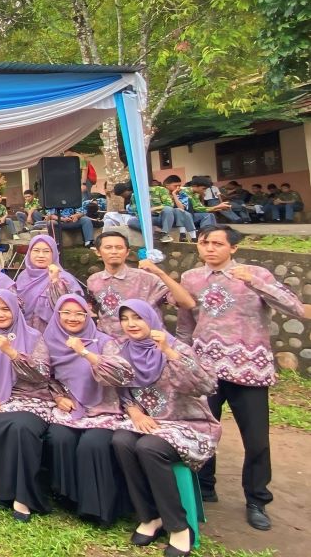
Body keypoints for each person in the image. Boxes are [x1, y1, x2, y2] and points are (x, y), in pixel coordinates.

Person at [175, 225, 302, 530]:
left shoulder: (256, 274)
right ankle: (205, 487)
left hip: (249, 371)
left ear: (232, 248)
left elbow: (293, 307)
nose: (210, 248)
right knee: (202, 432)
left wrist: (256, 282)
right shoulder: (191, 278)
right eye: (204, 243)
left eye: (217, 243)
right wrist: (183, 359)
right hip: (206, 371)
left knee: (256, 440)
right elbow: (185, 324)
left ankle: (257, 499)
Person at [114, 300, 222, 557]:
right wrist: (133, 410)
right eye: (125, 318)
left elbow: (206, 385)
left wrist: (169, 353)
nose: (131, 324)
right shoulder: (124, 352)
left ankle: (179, 526)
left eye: (137, 317)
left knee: (149, 447)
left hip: (188, 424)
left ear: (151, 319)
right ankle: (150, 516)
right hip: (147, 421)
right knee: (121, 441)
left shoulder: (176, 347)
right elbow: (121, 389)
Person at [44, 294, 131, 526]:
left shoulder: (104, 341)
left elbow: (119, 375)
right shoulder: (50, 341)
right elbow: (47, 377)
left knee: (92, 445)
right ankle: (68, 498)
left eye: (78, 313)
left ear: (87, 315)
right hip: (70, 407)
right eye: (66, 313)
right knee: (59, 437)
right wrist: (59, 397)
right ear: (57, 315)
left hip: (103, 407)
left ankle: (97, 508)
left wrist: (85, 352)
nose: (72, 318)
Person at [0, 289, 56, 521]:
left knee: (22, 428)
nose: (0, 314)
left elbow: (42, 373)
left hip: (31, 398)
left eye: (5, 309)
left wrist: (12, 353)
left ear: (15, 310)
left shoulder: (32, 336)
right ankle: (6, 491)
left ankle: (24, 497)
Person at [86, 232, 193, 339]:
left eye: (119, 247)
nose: (114, 251)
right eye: (108, 247)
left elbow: (187, 303)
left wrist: (160, 273)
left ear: (127, 252)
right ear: (98, 252)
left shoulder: (147, 278)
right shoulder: (93, 281)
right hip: (110, 347)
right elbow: (91, 309)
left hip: (147, 346)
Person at [13, 234, 82, 331]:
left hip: (52, 333)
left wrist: (55, 281)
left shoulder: (64, 278)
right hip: (24, 332)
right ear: (29, 253)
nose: (41, 255)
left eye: (46, 251)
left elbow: (69, 309)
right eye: (36, 251)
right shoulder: (23, 276)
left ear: (54, 254)